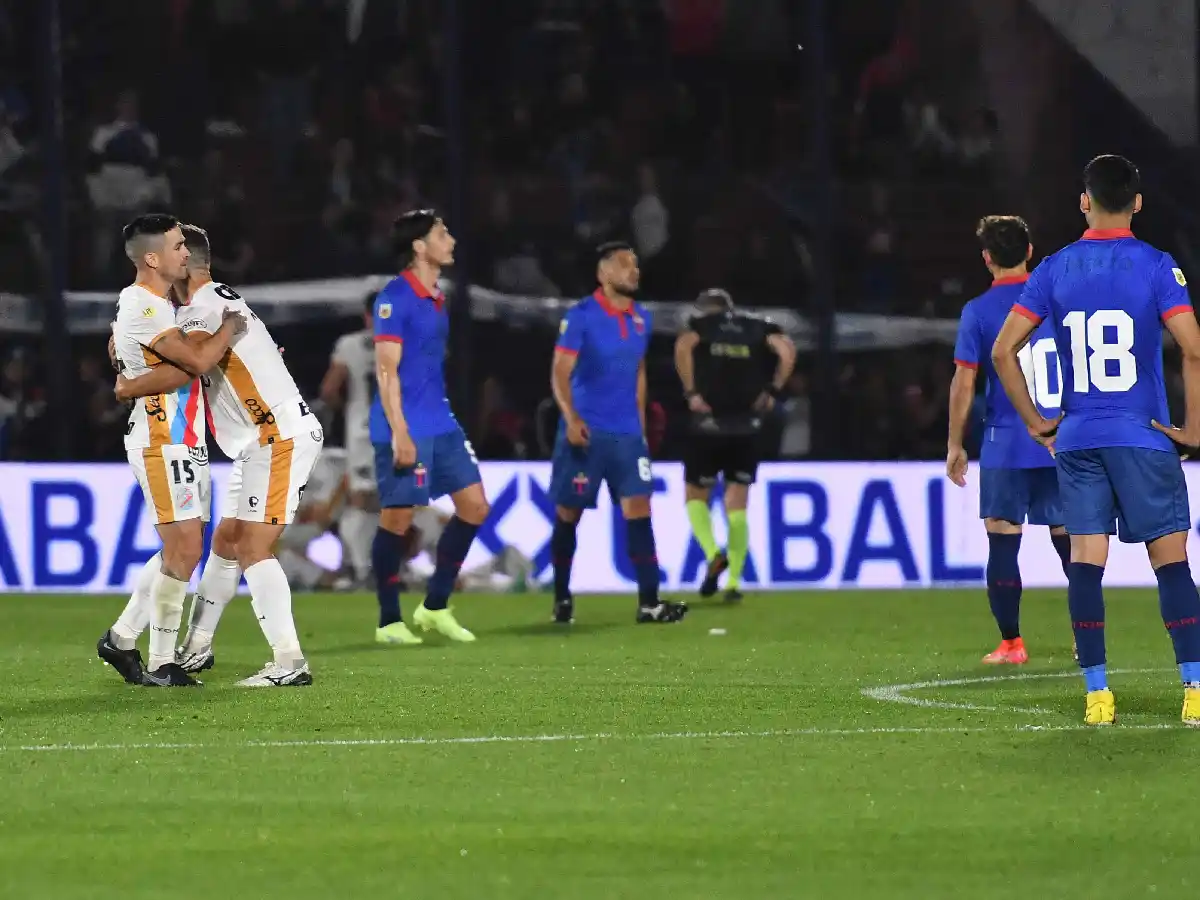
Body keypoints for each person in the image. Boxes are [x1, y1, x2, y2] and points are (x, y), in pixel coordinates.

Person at [992, 154, 1200, 726]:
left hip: (1079, 437)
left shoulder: (1054, 269)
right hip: (1142, 436)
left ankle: (1098, 697)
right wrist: (1194, 428)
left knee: (1085, 563)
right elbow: (1193, 346)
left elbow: (1002, 351)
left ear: (1085, 201)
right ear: (1137, 203)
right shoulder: (1157, 266)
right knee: (1171, 564)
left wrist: (1037, 422)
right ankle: (1195, 691)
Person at [116, 224, 323, 687]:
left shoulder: (202, 311)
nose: (176, 256)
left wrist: (128, 377)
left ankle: (289, 661)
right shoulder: (225, 300)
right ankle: (196, 646)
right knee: (227, 541)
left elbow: (187, 364)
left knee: (252, 546)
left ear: (184, 263)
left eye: (179, 249)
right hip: (261, 441)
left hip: (276, 438)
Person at [99, 213, 242, 688]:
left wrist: (132, 382)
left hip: (183, 440)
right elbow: (195, 363)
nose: (187, 254)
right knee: (184, 550)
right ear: (152, 258)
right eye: (178, 247)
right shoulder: (144, 307)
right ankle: (161, 661)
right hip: (163, 440)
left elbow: (183, 370)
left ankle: (121, 640)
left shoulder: (150, 305)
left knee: (178, 549)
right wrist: (230, 331)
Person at [947, 216, 1073, 664]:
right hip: (1061, 438)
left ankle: (1012, 644)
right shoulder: (1059, 302)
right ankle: (1086, 637)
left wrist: (954, 444)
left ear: (986, 259)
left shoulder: (978, 311)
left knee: (1002, 540)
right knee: (1072, 542)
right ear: (1030, 251)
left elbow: (965, 382)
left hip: (1006, 441)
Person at [548, 241, 688, 625]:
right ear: (604, 273)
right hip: (587, 432)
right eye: (626, 265)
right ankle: (561, 596)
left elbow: (639, 371)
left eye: (636, 265)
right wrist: (572, 417)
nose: (634, 271)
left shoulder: (641, 318)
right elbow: (560, 371)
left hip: (627, 435)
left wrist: (640, 426)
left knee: (640, 510)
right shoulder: (582, 316)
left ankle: (649, 602)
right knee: (568, 514)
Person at [369, 210, 490, 646]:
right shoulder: (394, 298)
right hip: (405, 426)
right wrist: (400, 431)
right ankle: (388, 622)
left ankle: (435, 606)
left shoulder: (437, 298)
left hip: (441, 422)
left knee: (475, 506)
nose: (451, 240)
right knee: (398, 520)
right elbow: (386, 370)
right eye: (443, 233)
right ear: (419, 246)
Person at [674, 288, 795, 602]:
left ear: (704, 309)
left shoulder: (700, 326)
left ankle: (714, 553)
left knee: (695, 496)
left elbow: (683, 346)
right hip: (747, 424)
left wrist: (691, 392)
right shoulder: (757, 325)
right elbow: (786, 349)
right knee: (737, 503)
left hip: (707, 423)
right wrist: (773, 389)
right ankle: (733, 584)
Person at [319, 292, 378, 586]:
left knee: (361, 501)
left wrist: (349, 412)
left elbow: (329, 389)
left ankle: (361, 567)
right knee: (386, 503)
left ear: (366, 316)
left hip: (363, 434)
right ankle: (374, 567)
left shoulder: (350, 345)